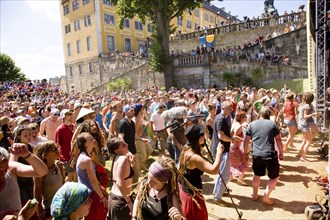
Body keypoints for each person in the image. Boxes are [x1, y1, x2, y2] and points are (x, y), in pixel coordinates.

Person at [178, 124, 224, 220]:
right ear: (200, 138)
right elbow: (214, 170)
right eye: (203, 134)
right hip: (192, 197)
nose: (205, 135)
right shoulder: (194, 157)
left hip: (187, 191)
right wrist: (219, 152)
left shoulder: (186, 149)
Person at [243, 107, 284, 205]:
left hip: (256, 154)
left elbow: (246, 140)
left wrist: (245, 153)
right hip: (269, 154)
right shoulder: (272, 124)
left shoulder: (252, 124)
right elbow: (278, 139)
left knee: (256, 175)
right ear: (268, 115)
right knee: (274, 177)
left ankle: (254, 195)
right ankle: (266, 196)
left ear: (259, 114)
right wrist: (281, 152)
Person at [0, 142, 48, 219]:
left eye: (5, 169)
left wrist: (27, 155)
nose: (2, 174)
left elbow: (42, 171)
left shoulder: (11, 170)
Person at [212, 101, 241, 205]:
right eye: (229, 108)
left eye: (231, 108)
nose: (231, 110)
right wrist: (231, 139)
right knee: (225, 174)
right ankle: (217, 197)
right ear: (223, 108)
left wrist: (231, 136)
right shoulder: (220, 119)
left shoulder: (222, 118)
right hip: (222, 150)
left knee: (223, 173)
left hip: (222, 150)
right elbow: (221, 136)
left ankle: (218, 192)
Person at [76, 132, 108, 220]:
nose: (94, 140)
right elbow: (93, 180)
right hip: (92, 195)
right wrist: (102, 197)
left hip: (86, 194)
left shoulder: (82, 156)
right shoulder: (87, 160)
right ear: (85, 144)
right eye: (90, 139)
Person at [34, 141, 64, 219]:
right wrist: (41, 215)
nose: (57, 150)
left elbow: (63, 186)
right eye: (54, 149)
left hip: (62, 207)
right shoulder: (40, 173)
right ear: (45, 155)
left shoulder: (58, 166)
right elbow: (37, 197)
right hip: (49, 211)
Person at [107, 137, 134, 220]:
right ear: (116, 151)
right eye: (123, 145)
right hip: (122, 201)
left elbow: (125, 175)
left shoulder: (116, 158)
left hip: (113, 198)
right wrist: (129, 203)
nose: (127, 144)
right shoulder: (123, 159)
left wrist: (132, 164)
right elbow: (119, 182)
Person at [118, 105, 139, 184]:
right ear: (125, 112)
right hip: (127, 151)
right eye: (131, 110)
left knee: (135, 169)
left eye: (134, 111)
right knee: (128, 170)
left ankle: (134, 185)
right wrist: (126, 150)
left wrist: (141, 139)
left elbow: (134, 135)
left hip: (133, 149)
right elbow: (120, 137)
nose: (133, 112)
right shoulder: (122, 123)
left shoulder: (132, 122)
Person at [297, 92, 321, 161]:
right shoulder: (307, 106)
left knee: (304, 140)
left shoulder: (302, 104)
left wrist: (314, 113)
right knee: (309, 141)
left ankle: (299, 153)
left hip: (302, 124)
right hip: (304, 124)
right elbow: (305, 116)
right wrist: (313, 114)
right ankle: (303, 156)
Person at [230, 111, 249, 185]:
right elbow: (234, 136)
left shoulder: (235, 124)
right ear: (241, 118)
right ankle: (240, 179)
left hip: (232, 147)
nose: (246, 118)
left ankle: (231, 178)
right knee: (244, 162)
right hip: (235, 148)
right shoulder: (239, 126)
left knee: (232, 163)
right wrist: (244, 140)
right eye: (245, 117)